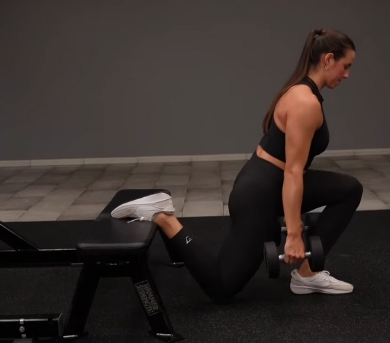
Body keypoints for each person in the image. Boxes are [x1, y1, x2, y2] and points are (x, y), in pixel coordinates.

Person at [110, 29, 364, 301]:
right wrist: (293, 235)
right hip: (259, 194)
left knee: (349, 189)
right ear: (328, 59)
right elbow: (293, 172)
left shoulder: (303, 91)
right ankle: (163, 217)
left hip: (272, 182)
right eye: (345, 66)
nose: (347, 74)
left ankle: (308, 274)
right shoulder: (305, 102)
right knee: (222, 286)